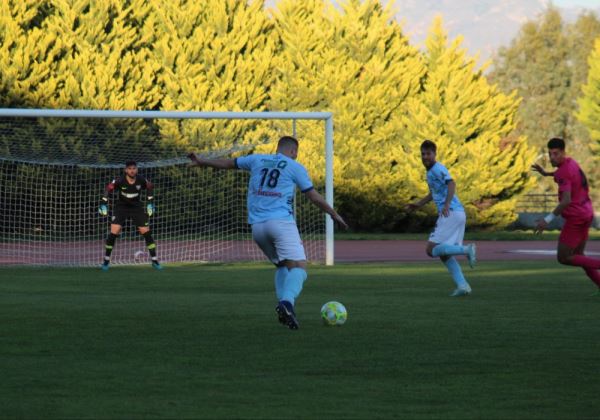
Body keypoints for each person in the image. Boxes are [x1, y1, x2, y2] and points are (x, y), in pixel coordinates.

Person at [189, 136, 347, 330]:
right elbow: (313, 196)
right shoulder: (295, 166)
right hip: (280, 223)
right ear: (293, 151)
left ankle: (285, 308)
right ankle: (287, 303)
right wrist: (334, 214)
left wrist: (202, 161)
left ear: (277, 148)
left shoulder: (257, 159)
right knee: (299, 267)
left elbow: (228, 163)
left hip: (257, 228)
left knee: (281, 265)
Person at [406, 140, 476, 297]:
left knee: (431, 250)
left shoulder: (438, 168)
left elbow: (451, 184)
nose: (425, 157)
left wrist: (446, 204)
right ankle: (463, 285)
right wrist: (418, 204)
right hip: (455, 213)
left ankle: (466, 250)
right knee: (444, 255)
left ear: (435, 154)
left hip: (450, 212)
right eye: (423, 154)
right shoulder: (430, 173)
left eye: (428, 153)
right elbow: (434, 193)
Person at [532, 137, 600, 294]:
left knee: (563, 257)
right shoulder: (571, 162)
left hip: (576, 218)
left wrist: (546, 220)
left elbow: (566, 201)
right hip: (587, 213)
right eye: (550, 154)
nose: (552, 157)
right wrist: (547, 173)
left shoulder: (563, 172)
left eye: (555, 154)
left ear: (563, 152)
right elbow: (564, 175)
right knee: (579, 255)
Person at [98, 160, 162, 271]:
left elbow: (150, 186)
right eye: (130, 169)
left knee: (146, 232)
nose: (132, 171)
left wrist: (150, 203)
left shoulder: (141, 179)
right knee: (114, 233)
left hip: (136, 208)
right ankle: (106, 262)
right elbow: (108, 188)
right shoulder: (120, 180)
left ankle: (155, 261)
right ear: (126, 170)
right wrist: (103, 203)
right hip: (121, 208)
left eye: (134, 168)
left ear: (136, 169)